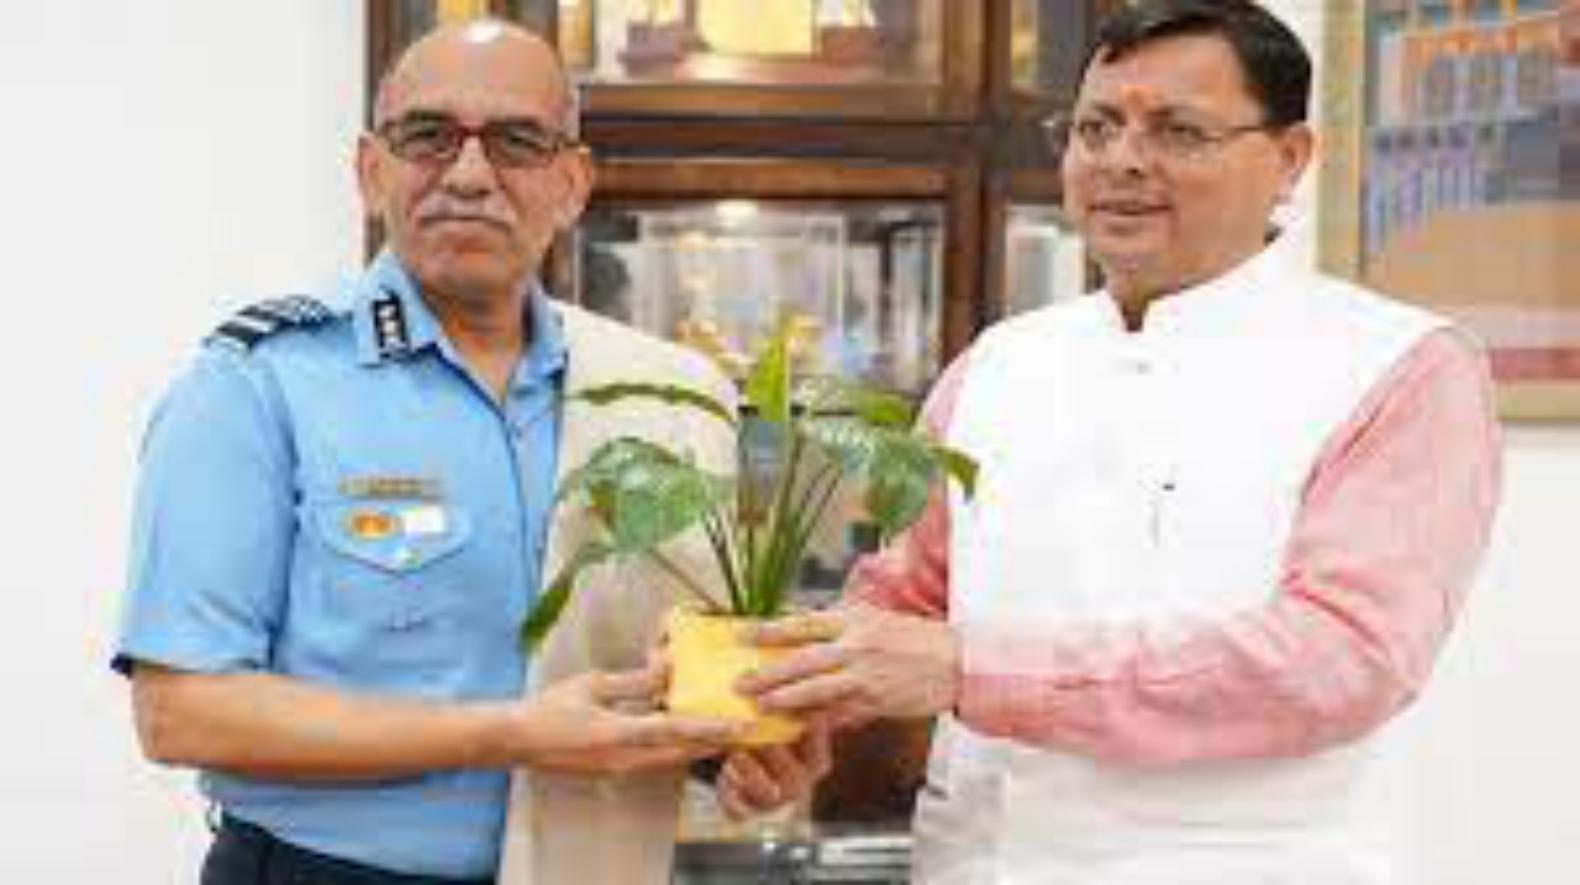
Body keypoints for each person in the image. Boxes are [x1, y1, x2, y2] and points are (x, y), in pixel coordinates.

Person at [726, 1, 1504, 882]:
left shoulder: (1399, 365)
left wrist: (969, 669)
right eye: (1095, 128)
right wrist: (793, 714)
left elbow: (1339, 659)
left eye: (1178, 131)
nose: (1122, 160)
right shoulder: (999, 363)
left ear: (1290, 158)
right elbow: (902, 603)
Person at [115, 20, 758, 885]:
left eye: (516, 141)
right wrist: (511, 732)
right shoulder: (258, 386)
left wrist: (734, 752)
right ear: (369, 171)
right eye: (428, 136)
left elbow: (677, 664)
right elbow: (182, 711)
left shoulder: (662, 394)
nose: (468, 175)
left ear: (572, 183)